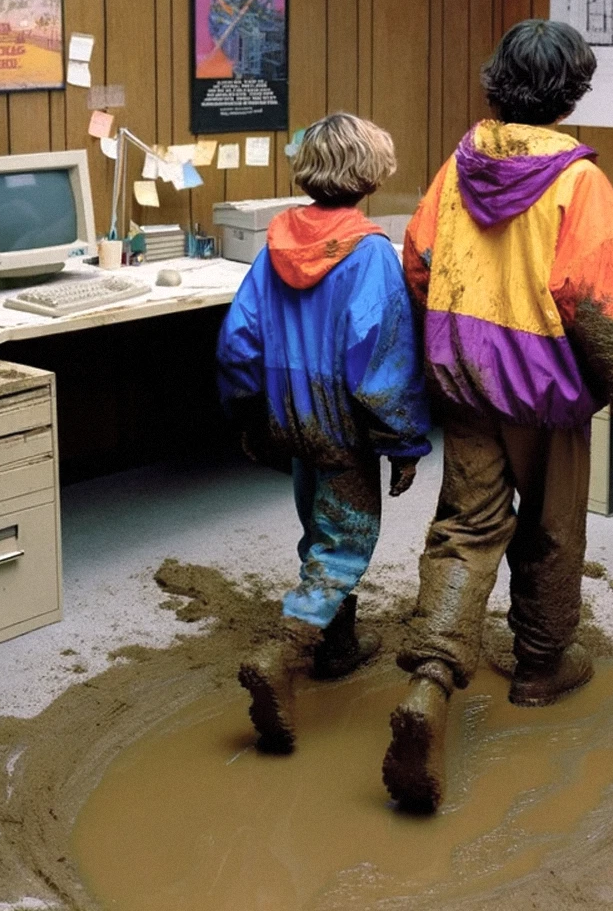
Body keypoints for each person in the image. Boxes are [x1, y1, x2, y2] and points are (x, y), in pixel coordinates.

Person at [383, 19, 613, 811]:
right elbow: (606, 305)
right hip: (545, 394)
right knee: (550, 524)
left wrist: (458, 330)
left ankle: (434, 678)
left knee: (466, 526)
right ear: (573, 92)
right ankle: (541, 667)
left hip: (465, 381)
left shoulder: (457, 166)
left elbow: (416, 262)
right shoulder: (579, 183)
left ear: (495, 81)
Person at [217, 112, 432, 754]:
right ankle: (283, 653)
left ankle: (338, 645)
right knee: (345, 542)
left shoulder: (275, 244)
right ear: (371, 177)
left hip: (288, 416)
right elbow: (383, 359)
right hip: (344, 427)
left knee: (319, 522)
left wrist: (252, 417)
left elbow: (238, 342)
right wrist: (402, 442)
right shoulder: (369, 253)